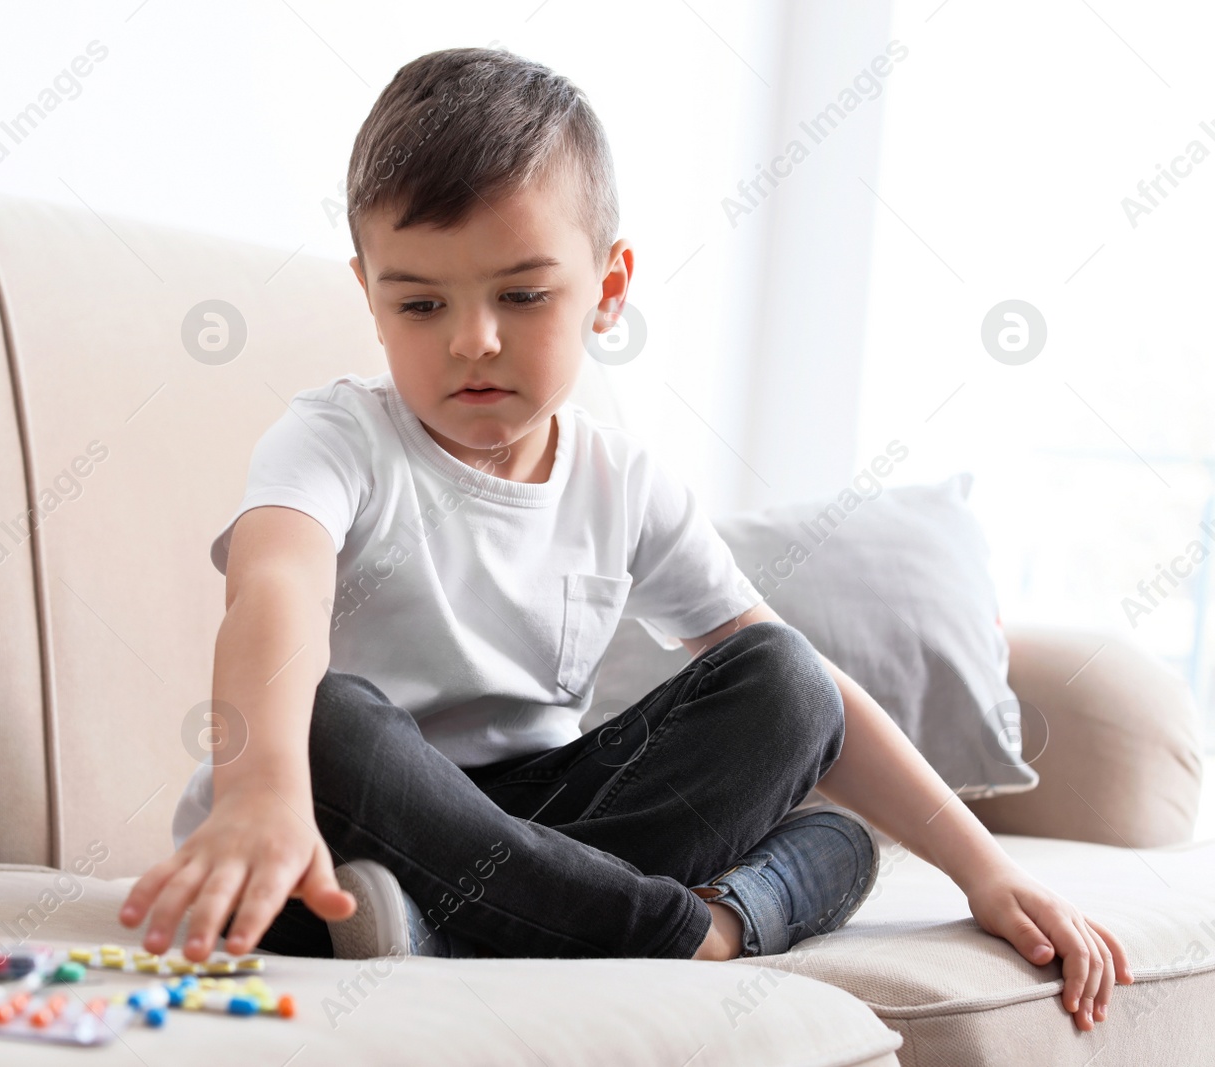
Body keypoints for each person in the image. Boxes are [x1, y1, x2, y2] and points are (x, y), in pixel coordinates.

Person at [117, 46, 1131, 1032]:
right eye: (421, 302)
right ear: (370, 294)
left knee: (799, 722)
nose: (473, 339)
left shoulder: (621, 478)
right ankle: (692, 930)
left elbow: (803, 702)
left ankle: (464, 929)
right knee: (328, 715)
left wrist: (986, 867)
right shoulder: (334, 437)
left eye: (522, 294)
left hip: (546, 822)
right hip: (359, 824)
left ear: (607, 288)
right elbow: (273, 595)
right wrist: (258, 795)